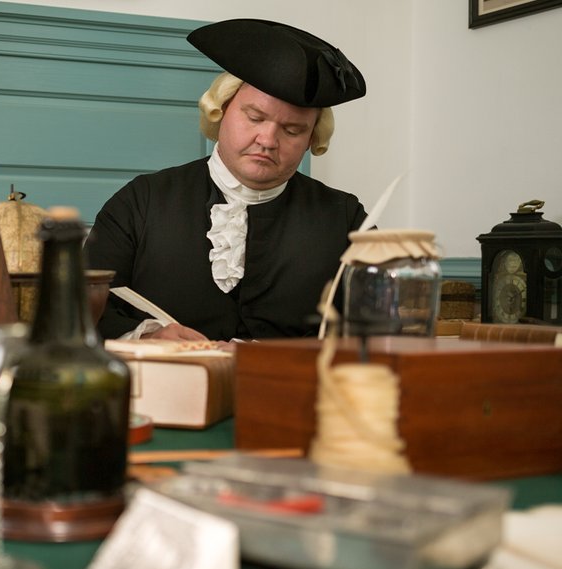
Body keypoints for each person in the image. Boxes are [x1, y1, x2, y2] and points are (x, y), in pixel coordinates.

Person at [84, 18, 369, 342]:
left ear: (311, 139)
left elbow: (378, 325)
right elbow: (80, 309)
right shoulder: (140, 202)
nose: (268, 139)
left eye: (292, 130)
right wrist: (148, 337)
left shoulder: (346, 218)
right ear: (220, 110)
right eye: (255, 117)